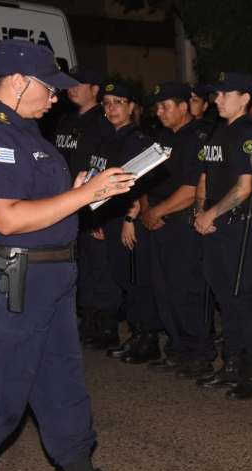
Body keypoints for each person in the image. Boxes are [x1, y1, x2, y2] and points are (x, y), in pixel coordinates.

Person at [0, 40, 156, 471]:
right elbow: (6, 219)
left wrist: (86, 192)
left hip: (53, 280)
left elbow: (44, 207)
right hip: (20, 285)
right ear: (19, 82)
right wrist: (84, 194)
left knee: (63, 394)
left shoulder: (27, 132)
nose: (56, 97)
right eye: (49, 87)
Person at [193, 72, 252, 400]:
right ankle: (232, 363)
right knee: (225, 298)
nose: (217, 99)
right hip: (212, 223)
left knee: (245, 299)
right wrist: (199, 212)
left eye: (225, 94)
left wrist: (210, 214)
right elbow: (205, 176)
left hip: (240, 226)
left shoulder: (249, 132)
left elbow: (245, 185)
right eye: (216, 94)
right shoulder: (216, 131)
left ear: (245, 98)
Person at [138, 82, 216, 373]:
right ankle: (178, 348)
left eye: (164, 106)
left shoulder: (198, 137)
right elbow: (144, 176)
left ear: (183, 107)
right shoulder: (162, 137)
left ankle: (199, 353)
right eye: (157, 107)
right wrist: (145, 210)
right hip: (158, 223)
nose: (159, 112)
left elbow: (191, 189)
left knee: (186, 291)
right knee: (164, 291)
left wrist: (155, 212)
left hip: (181, 225)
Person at [88, 82, 163, 361]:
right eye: (106, 103)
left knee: (137, 278)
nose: (111, 108)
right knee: (123, 277)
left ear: (132, 107)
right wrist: (97, 217)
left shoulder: (139, 140)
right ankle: (136, 334)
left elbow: (142, 184)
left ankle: (148, 340)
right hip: (111, 217)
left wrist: (130, 217)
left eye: (118, 102)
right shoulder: (107, 138)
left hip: (128, 218)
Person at [52, 65, 116, 344]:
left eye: (80, 84)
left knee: (100, 265)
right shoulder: (65, 120)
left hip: (93, 205)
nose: (72, 88)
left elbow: (106, 165)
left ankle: (107, 325)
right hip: (67, 203)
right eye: (70, 83)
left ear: (95, 90)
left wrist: (99, 212)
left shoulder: (103, 123)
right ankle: (88, 319)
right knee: (80, 266)